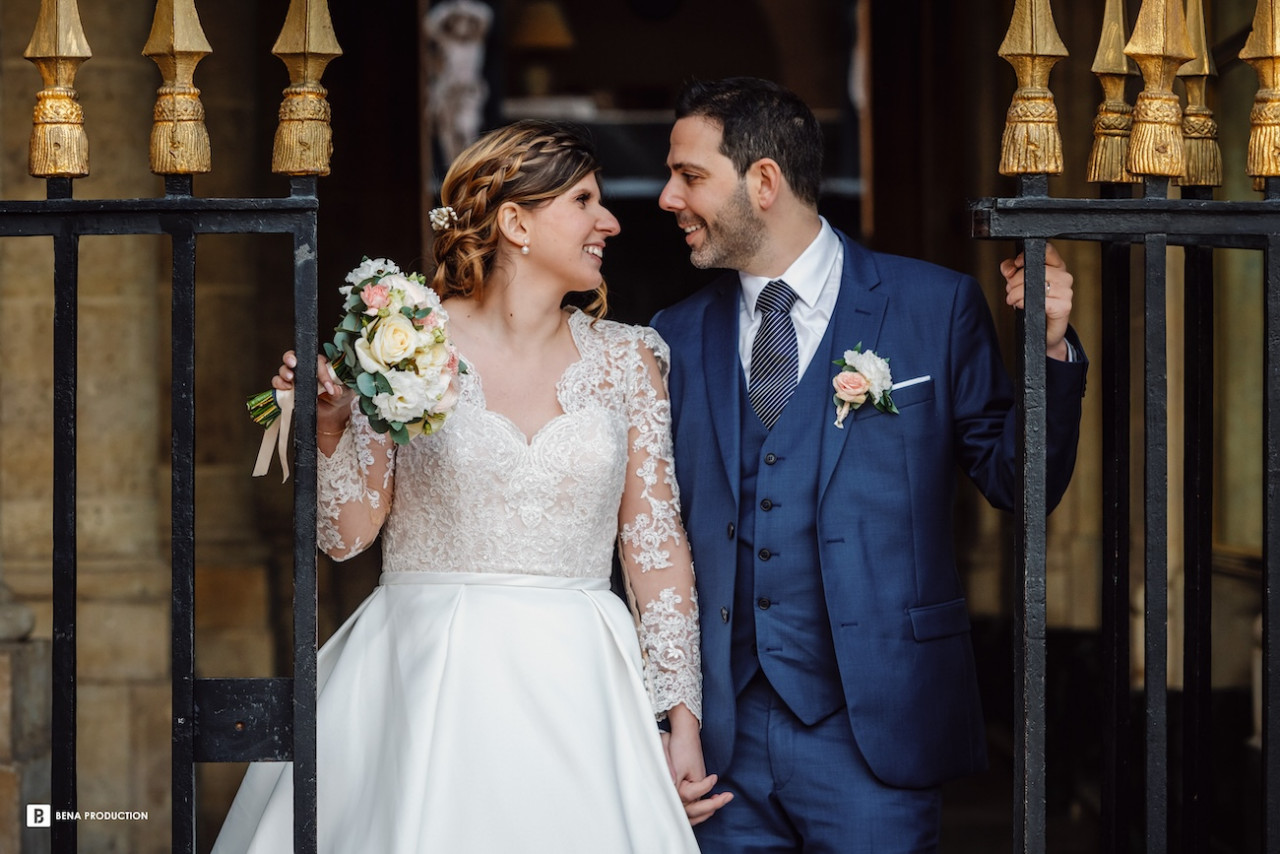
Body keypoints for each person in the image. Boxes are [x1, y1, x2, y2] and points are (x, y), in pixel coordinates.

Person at [213, 119, 731, 854]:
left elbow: (656, 549)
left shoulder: (629, 361)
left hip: (582, 682)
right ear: (516, 221)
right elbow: (347, 535)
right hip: (424, 674)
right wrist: (329, 427)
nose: (610, 222)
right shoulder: (403, 344)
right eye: (584, 201)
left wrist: (681, 720)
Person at [650, 77, 1087, 853]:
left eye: (688, 176)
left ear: (764, 182)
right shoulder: (673, 335)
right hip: (722, 745)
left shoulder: (934, 305)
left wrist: (1049, 346)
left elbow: (1018, 482)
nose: (666, 198)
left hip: (877, 726)